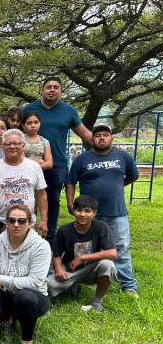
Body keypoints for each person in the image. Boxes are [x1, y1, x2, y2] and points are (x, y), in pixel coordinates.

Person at [65, 123, 140, 298]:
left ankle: (128, 285)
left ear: (112, 139)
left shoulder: (123, 156)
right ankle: (83, 280)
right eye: (98, 135)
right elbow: (70, 182)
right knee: (85, 249)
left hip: (117, 212)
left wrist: (116, 187)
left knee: (120, 249)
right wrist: (70, 203)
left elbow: (133, 175)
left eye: (105, 135)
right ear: (92, 139)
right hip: (88, 215)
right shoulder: (82, 159)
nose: (102, 138)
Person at [23, 76, 92, 246]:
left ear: (61, 90)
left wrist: (108, 145)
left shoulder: (68, 111)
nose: (52, 90)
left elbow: (85, 134)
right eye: (48, 87)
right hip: (29, 165)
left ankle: (49, 237)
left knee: (53, 200)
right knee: (29, 200)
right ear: (42, 90)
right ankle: (28, 233)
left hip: (57, 165)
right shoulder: (30, 109)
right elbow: (14, 132)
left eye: (56, 87)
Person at [0, 204, 51, 344]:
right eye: (12, 220)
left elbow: (36, 282)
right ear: (7, 223)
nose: (16, 225)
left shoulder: (41, 246)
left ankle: (26, 343)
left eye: (22, 221)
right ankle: (11, 318)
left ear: (31, 223)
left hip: (34, 297)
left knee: (24, 297)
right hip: (6, 293)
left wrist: (1, 280)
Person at [47, 195, 117, 312]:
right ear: (73, 211)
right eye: (79, 210)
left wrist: (82, 257)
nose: (82, 214)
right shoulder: (64, 230)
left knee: (108, 265)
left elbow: (112, 253)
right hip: (70, 269)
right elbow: (57, 255)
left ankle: (96, 305)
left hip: (91, 269)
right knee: (49, 285)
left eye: (87, 211)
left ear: (94, 213)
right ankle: (73, 287)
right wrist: (59, 269)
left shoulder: (101, 227)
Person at [0, 129, 48, 235]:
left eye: (16, 143)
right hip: (1, 222)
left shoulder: (34, 166)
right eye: (8, 144)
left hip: (28, 223)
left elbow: (42, 195)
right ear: (3, 147)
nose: (12, 146)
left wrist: (44, 221)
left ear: (23, 145)